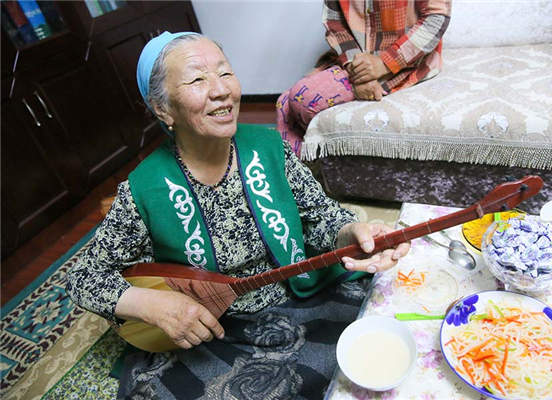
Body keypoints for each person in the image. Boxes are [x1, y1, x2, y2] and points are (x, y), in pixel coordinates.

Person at [66, 31, 410, 399]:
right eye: (198, 79)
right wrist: (151, 304)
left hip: (300, 293)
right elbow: (83, 277)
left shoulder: (268, 146)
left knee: (380, 337)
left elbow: (321, 218)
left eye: (225, 73)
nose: (221, 91)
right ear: (163, 108)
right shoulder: (144, 188)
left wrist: (352, 233)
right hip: (216, 325)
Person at [277, 0, 452, 155]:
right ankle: (297, 182)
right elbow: (334, 21)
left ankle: (305, 179)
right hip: (355, 56)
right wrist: (357, 68)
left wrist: (383, 63)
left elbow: (437, 18)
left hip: (408, 57)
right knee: (284, 104)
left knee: (303, 97)